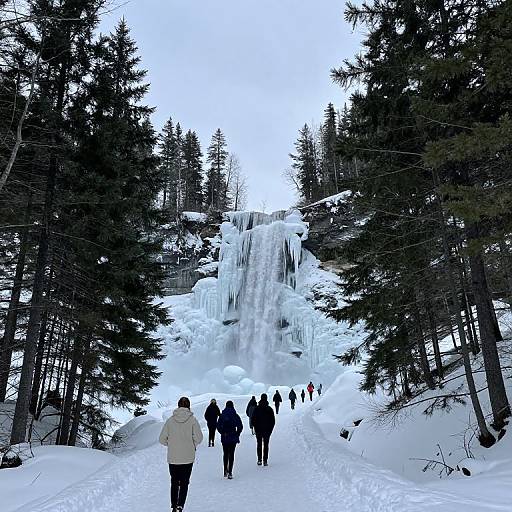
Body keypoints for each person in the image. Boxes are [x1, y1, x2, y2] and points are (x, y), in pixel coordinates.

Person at [159, 397, 203, 512]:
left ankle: (173, 505)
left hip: (173, 457)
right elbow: (199, 438)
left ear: (178, 406)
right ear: (189, 406)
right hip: (188, 457)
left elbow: (161, 439)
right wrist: (191, 443)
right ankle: (180, 506)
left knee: (174, 482)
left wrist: (172, 444)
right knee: (184, 482)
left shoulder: (170, 420)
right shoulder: (193, 420)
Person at [216, 400, 243, 479]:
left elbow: (218, 426)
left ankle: (225, 470)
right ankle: (230, 472)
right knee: (231, 454)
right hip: (233, 437)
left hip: (225, 437)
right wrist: (237, 433)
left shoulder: (222, 415)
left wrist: (222, 432)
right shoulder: (235, 415)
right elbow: (240, 426)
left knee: (225, 453)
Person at [252, 393, 275, 466]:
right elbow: (273, 421)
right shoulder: (269, 409)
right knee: (266, 445)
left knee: (259, 444)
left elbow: (253, 420)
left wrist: (255, 427)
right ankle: (265, 460)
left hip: (258, 430)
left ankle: (259, 459)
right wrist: (270, 430)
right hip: (267, 431)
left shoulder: (256, 409)